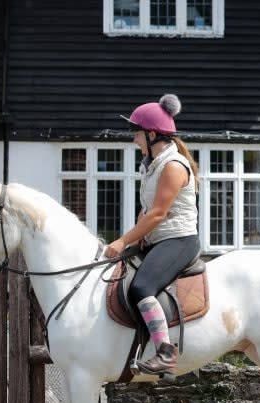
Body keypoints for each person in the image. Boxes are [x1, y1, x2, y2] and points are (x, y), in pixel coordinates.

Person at [104, 94, 200, 376]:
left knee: (141, 287)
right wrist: (134, 239)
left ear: (153, 134)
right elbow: (146, 212)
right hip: (158, 239)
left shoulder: (172, 166)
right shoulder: (151, 165)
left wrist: (122, 240)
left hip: (179, 240)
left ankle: (165, 353)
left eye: (137, 133)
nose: (134, 139)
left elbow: (157, 214)